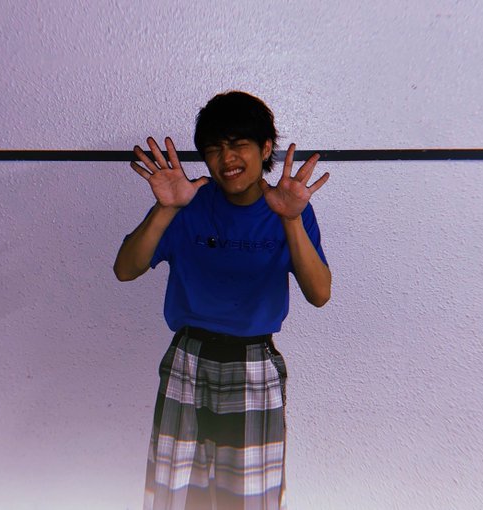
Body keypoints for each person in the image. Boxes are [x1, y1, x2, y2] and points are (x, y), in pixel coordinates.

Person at [114, 91, 331, 510]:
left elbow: (319, 293)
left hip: (253, 362)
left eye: (238, 144)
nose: (226, 158)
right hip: (188, 357)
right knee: (175, 494)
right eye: (214, 147)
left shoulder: (290, 208)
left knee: (249, 499)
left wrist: (290, 219)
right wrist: (165, 209)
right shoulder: (187, 204)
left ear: (265, 148)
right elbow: (125, 269)